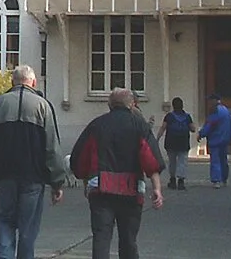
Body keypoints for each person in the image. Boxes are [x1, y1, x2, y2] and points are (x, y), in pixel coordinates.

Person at [0, 64, 68, 259]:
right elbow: (51, 146)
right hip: (33, 176)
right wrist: (57, 182)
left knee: (5, 222)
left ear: (12, 81)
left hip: (5, 175)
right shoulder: (42, 106)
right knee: (28, 230)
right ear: (33, 82)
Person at [69, 88, 165, 259]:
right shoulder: (139, 125)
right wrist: (157, 188)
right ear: (131, 104)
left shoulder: (97, 125)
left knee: (101, 237)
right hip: (131, 190)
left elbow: (80, 158)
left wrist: (83, 179)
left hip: (101, 189)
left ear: (109, 104)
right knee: (128, 239)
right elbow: (150, 159)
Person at [198, 93, 231, 188]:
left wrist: (201, 134)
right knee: (224, 160)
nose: (209, 103)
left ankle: (216, 180)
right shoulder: (227, 111)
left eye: (210, 101)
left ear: (214, 100)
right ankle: (224, 179)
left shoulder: (214, 111)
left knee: (215, 160)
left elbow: (209, 125)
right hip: (225, 139)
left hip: (215, 139)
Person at [158, 98, 194, 190]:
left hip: (171, 142)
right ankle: (181, 181)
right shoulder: (187, 116)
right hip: (183, 142)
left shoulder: (169, 116)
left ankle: (172, 180)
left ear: (173, 106)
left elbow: (163, 128)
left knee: (172, 162)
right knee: (182, 161)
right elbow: (193, 129)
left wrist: (157, 138)